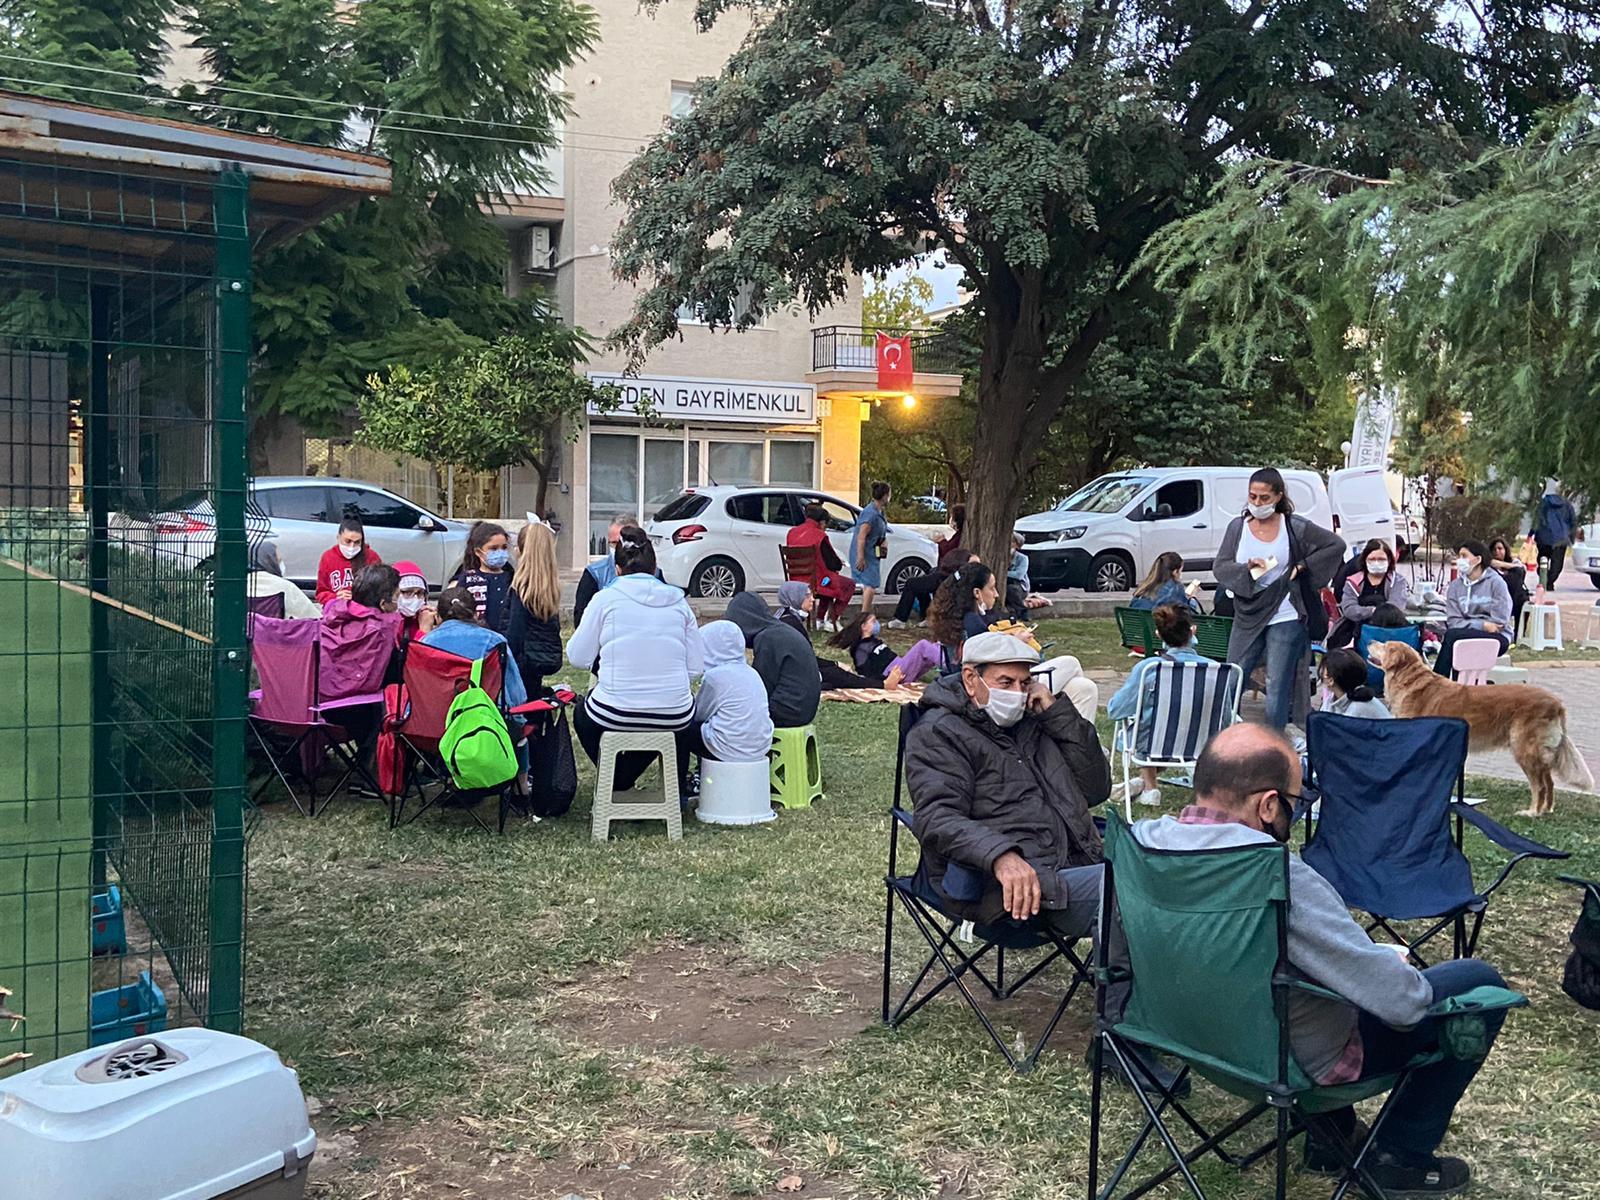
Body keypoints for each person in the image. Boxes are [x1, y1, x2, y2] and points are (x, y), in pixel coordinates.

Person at [1129, 724, 1508, 1194]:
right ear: (1269, 805)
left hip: (1192, 1040)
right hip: (1287, 1064)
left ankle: (1331, 1141)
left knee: (1304, 981)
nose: (1298, 809)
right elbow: (1401, 1005)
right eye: (1297, 799)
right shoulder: (1278, 877)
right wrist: (1390, 967)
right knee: (1477, 982)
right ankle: (1399, 1158)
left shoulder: (1141, 845)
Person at [904, 631, 1110, 936]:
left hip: (1077, 861)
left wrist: (1057, 715)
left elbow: (1096, 789)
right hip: (1006, 885)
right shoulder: (939, 733)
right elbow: (937, 817)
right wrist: (999, 856)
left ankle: (1119, 963)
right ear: (970, 679)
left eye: (1024, 683)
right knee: (1134, 896)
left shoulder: (1033, 720)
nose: (1017, 693)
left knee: (1168, 876)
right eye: (1006, 682)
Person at [566, 527, 703, 791]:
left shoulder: (605, 600)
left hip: (613, 711)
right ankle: (672, 791)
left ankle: (617, 777)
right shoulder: (679, 603)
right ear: (655, 568)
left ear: (617, 569)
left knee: (583, 714)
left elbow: (577, 656)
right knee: (673, 722)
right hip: (674, 713)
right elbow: (696, 667)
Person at [1213, 468, 1344, 730]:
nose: (1257, 503)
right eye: (1252, 496)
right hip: (1249, 612)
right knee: (1234, 676)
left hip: (1286, 611)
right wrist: (1246, 570)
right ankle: (1224, 735)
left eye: (1264, 498)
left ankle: (1274, 740)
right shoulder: (1238, 527)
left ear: (1278, 496)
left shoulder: (1294, 526)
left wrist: (1303, 566)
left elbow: (1335, 545)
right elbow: (1221, 566)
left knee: (1277, 685)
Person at [1105, 603, 1208, 809]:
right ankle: (1144, 784)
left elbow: (1116, 710)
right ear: (1193, 631)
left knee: (1145, 723)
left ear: (1159, 634)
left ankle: (1150, 789)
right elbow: (1225, 718)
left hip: (1155, 743)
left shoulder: (1149, 669)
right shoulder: (1216, 670)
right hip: (1199, 745)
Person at [679, 619, 774, 795]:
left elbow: (699, 714)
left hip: (727, 749)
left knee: (682, 730)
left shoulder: (716, 677)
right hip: (759, 747)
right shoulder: (751, 673)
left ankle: (683, 787)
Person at [774, 581, 903, 690]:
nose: (812, 599)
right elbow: (808, 659)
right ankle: (883, 685)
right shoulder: (790, 623)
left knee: (833, 672)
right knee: (836, 674)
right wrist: (835, 665)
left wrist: (835, 663)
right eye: (807, 596)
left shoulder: (787, 618)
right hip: (789, 674)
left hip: (790, 669)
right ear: (795, 598)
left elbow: (806, 657)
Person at [726, 591, 822, 728]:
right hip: (803, 709)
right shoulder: (778, 630)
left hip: (788, 712)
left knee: (730, 720)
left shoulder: (767, 638)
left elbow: (762, 686)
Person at [1434, 540, 1513, 677]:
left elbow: (1498, 623)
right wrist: (1481, 625)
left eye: (1464, 556)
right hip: (1464, 633)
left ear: (1478, 560)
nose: (1460, 560)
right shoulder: (1455, 587)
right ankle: (1453, 685)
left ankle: (1436, 682)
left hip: (1497, 637)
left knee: (1453, 637)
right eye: (1459, 556)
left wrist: (1470, 625)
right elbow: (1453, 622)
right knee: (1455, 638)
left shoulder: (1496, 583)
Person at [506, 522, 563, 695]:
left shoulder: (520, 590)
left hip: (521, 666)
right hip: (539, 662)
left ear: (521, 550)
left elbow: (514, 635)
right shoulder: (550, 589)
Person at [784, 504, 857, 628]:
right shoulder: (820, 536)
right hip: (816, 583)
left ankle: (820, 620)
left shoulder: (792, 533)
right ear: (822, 522)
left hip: (795, 581)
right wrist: (839, 563)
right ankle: (831, 619)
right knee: (845, 584)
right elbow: (833, 563)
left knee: (828, 577)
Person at [1330, 538, 1409, 649]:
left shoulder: (1398, 581)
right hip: (1354, 632)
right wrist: (1374, 611)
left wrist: (1366, 611)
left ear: (1389, 560)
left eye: (1381, 559)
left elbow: (1396, 607)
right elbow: (1349, 609)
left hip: (1389, 632)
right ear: (1365, 560)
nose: (1376, 562)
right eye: (1372, 559)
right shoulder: (1353, 581)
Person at [573, 512, 638, 627]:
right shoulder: (595, 573)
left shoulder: (654, 573)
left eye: (622, 543)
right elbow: (581, 617)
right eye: (613, 543)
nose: (618, 548)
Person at [889, 547, 975, 630]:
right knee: (919, 585)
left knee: (912, 584)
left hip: (947, 576)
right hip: (945, 574)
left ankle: (901, 619)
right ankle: (926, 617)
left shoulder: (966, 562)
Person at [452, 521, 512, 635]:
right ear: (478, 552)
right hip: (476, 636)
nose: (500, 552)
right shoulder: (468, 578)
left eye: (504, 547)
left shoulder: (511, 578)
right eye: (493, 549)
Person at [315, 517, 381, 606]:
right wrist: (336, 597)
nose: (352, 546)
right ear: (338, 537)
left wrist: (360, 598)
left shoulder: (371, 557)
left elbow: (381, 590)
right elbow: (320, 593)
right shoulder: (328, 557)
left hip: (363, 609)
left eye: (357, 542)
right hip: (337, 608)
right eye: (348, 541)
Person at [850, 480, 892, 615]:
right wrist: (860, 557)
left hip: (873, 551)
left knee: (870, 584)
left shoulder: (880, 512)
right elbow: (861, 536)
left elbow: (880, 531)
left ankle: (866, 612)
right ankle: (865, 614)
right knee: (871, 584)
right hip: (865, 552)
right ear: (885, 496)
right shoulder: (870, 514)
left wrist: (884, 541)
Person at [248, 539, 320, 619]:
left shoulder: (240, 586)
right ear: (271, 561)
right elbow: (314, 618)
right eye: (279, 561)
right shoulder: (286, 587)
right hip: (276, 627)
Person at [828, 612, 904, 686]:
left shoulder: (875, 641)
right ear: (864, 626)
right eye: (873, 621)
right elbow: (865, 672)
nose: (877, 624)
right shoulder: (860, 648)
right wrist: (888, 678)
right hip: (893, 671)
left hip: (899, 665)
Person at [1318, 647, 1391, 719]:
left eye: (1323, 668)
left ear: (1331, 680)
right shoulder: (1332, 699)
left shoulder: (1357, 710)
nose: (1321, 671)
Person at [1532, 481, 1579, 591]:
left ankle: (1544, 578)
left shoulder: (1544, 503)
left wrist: (1533, 534)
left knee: (1542, 560)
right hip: (1561, 539)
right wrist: (1571, 539)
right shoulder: (1567, 505)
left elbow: (1537, 519)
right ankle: (1549, 582)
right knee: (1557, 565)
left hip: (1544, 537)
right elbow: (1573, 522)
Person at [1129, 551, 1201, 613]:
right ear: (1175, 572)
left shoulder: (1143, 588)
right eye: (1180, 571)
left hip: (1139, 624)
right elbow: (1188, 615)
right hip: (1160, 624)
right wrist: (1192, 599)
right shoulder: (1176, 589)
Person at [1487, 537, 1530, 634]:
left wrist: (1503, 565)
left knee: (1522, 598)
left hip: (1517, 598)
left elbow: (1522, 568)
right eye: (1494, 549)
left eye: (1500, 548)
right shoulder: (1490, 567)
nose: (1497, 552)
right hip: (1498, 599)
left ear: (1505, 550)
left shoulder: (1514, 562)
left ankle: (1519, 632)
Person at [391, 560, 437, 644]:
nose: (415, 598)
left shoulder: (425, 618)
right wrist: (423, 632)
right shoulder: (385, 625)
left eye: (420, 593)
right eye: (408, 592)